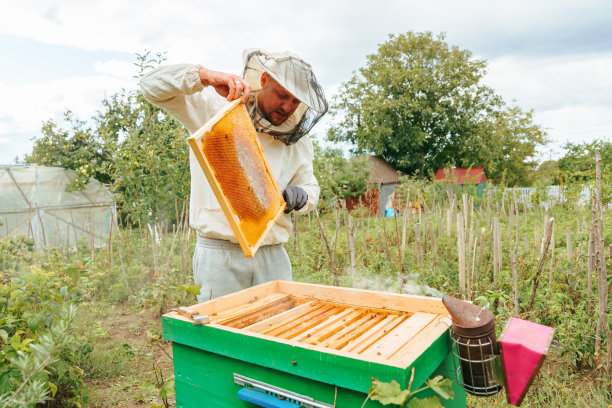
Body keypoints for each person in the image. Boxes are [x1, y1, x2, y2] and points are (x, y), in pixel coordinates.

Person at [139, 49, 327, 302]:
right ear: (263, 81)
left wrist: (303, 196)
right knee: (222, 334)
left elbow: (310, 186)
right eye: (282, 95)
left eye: (296, 101)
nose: (288, 107)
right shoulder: (216, 108)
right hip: (219, 253)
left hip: (273, 254)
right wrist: (205, 76)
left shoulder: (298, 141)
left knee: (276, 332)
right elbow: (151, 86)